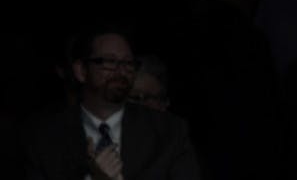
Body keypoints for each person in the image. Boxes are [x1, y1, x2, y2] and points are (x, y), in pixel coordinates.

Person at [20, 23, 200, 179]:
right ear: (81, 71)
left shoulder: (169, 132)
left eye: (128, 63)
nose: (121, 70)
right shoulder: (45, 138)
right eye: (109, 62)